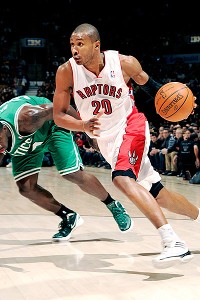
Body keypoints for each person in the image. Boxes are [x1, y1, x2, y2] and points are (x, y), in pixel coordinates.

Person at [52, 23, 200, 269]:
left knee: (121, 179)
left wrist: (184, 106)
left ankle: (174, 243)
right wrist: (82, 126)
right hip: (106, 141)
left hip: (131, 126)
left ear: (95, 45)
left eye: (80, 44)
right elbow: (58, 115)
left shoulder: (124, 63)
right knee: (158, 195)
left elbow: (156, 90)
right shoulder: (66, 72)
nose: (74, 50)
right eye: (72, 44)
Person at [0, 95, 133, 242]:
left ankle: (113, 205)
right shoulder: (2, 142)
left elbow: (63, 108)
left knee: (71, 173)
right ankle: (69, 216)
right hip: (27, 145)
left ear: (4, 129)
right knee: (26, 188)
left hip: (52, 127)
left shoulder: (28, 117)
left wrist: (85, 130)